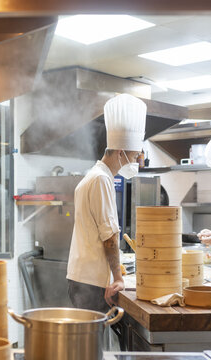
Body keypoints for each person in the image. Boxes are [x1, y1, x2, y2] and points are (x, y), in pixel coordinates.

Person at [67, 93, 146, 313]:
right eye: (133, 155)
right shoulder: (101, 179)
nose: (135, 161)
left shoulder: (96, 175)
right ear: (120, 152)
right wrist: (118, 278)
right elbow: (109, 236)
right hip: (91, 283)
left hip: (83, 278)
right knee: (91, 346)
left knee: (89, 343)